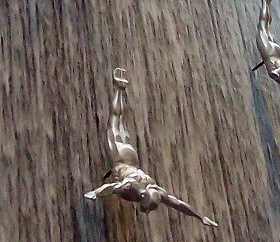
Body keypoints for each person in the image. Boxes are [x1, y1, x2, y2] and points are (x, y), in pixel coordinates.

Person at [84, 69, 217, 227]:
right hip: (120, 157)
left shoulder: (156, 190)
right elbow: (112, 187)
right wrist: (95, 193)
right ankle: (119, 89)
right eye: (146, 207)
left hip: (132, 158)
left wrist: (200, 217)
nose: (146, 211)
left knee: (120, 122)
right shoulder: (132, 187)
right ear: (142, 196)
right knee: (114, 121)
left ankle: (121, 90)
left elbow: (178, 204)